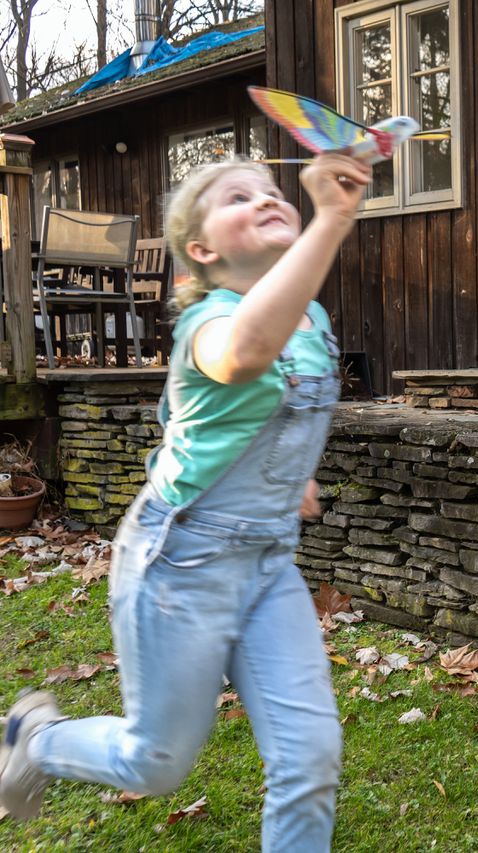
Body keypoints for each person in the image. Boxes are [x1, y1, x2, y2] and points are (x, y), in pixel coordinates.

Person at [0, 153, 371, 849]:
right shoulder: (209, 321)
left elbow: (184, 415)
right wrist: (334, 219)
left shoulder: (311, 316)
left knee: (310, 755)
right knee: (157, 760)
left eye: (271, 190)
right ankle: (37, 736)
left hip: (267, 566)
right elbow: (245, 355)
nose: (265, 197)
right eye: (239, 196)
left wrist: (291, 473)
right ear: (201, 250)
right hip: (179, 566)